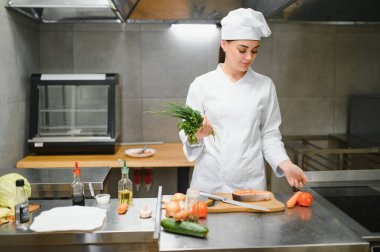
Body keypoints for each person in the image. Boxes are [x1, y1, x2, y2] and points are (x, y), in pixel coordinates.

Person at [179, 8, 308, 193]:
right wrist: (197, 135)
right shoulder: (202, 85)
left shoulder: (265, 86)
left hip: (250, 187)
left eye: (254, 51)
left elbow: (269, 135)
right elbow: (188, 133)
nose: (249, 57)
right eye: (242, 50)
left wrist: (286, 165)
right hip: (208, 186)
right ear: (224, 44)